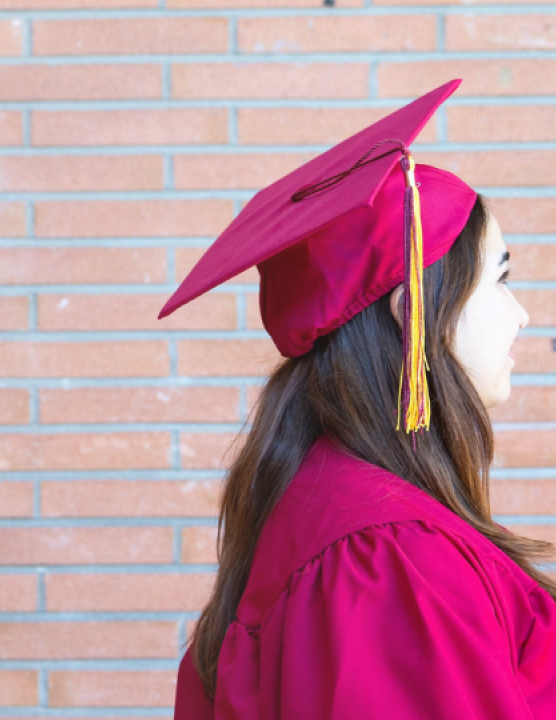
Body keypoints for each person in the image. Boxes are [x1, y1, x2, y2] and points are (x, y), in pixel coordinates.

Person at [164, 79, 556, 718]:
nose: (522, 314)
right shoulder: (389, 558)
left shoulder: (339, 505)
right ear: (413, 312)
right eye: (500, 278)